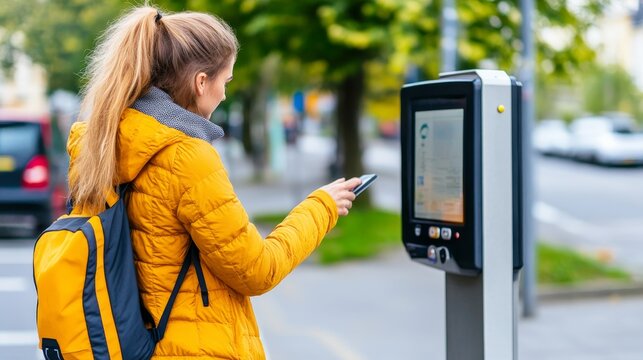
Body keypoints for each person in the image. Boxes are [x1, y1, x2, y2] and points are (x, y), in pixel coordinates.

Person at [66, 5, 361, 359]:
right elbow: (255, 270)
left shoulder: (100, 145)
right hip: (195, 348)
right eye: (226, 80)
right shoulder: (187, 158)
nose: (224, 93)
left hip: (132, 344)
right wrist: (322, 207)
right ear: (201, 82)